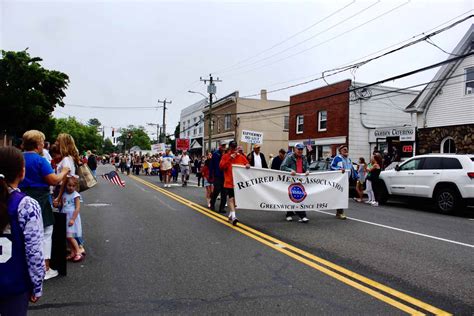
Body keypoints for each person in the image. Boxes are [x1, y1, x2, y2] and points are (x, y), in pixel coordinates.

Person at [19, 130, 70, 280]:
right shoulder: (41, 161)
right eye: (42, 142)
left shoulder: (18, 158)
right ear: (38, 144)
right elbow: (53, 180)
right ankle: (44, 267)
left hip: (20, 197)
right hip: (40, 198)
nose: (44, 144)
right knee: (46, 231)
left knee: (24, 232)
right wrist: (64, 172)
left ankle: (25, 265)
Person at [0, 147, 45, 315]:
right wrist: (36, 284)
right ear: (21, 172)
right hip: (14, 283)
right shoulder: (26, 205)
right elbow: (34, 252)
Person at [219, 141, 249, 225]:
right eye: (232, 147)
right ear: (230, 148)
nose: (233, 149)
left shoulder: (241, 156)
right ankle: (234, 216)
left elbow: (247, 163)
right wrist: (230, 158)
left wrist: (247, 165)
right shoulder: (225, 156)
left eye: (235, 147)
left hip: (238, 182)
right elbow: (221, 167)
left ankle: (230, 215)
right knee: (231, 198)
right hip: (229, 182)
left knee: (235, 201)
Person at [280, 143, 310, 223]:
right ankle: (289, 214)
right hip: (291, 180)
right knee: (291, 197)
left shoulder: (304, 158)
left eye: (301, 149)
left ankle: (302, 216)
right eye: (299, 149)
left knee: (301, 197)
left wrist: (307, 170)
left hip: (301, 180)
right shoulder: (290, 157)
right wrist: (290, 170)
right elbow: (282, 167)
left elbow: (307, 166)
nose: (300, 151)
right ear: (295, 149)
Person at [330, 144, 358, 219]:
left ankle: (339, 212)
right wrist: (339, 169)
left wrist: (356, 176)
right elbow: (332, 166)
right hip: (339, 180)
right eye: (344, 150)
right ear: (340, 151)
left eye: (347, 149)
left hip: (346, 181)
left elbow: (352, 169)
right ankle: (340, 213)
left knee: (343, 196)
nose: (346, 151)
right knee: (340, 196)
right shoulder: (337, 158)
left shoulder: (349, 159)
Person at [60, 176, 84, 262]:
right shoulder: (64, 194)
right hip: (65, 216)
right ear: (66, 185)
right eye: (69, 185)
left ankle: (78, 252)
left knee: (70, 236)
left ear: (76, 186)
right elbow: (63, 205)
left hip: (72, 217)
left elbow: (77, 208)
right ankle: (72, 252)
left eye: (73, 186)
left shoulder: (76, 195)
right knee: (67, 236)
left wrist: (73, 219)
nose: (71, 187)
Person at [209, 141, 227, 213]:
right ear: (219, 146)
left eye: (224, 146)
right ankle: (212, 203)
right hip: (217, 175)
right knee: (217, 190)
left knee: (224, 193)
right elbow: (212, 165)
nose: (223, 147)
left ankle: (221, 208)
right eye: (222, 146)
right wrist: (211, 174)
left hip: (225, 176)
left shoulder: (226, 154)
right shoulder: (215, 154)